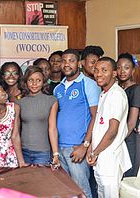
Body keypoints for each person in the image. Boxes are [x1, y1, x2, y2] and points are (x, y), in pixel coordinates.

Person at [53, 49, 101, 198]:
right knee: (65, 193)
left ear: (79, 63)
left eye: (71, 60)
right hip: (59, 149)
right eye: (64, 61)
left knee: (82, 192)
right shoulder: (57, 89)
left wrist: (85, 145)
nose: (67, 64)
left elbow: (96, 116)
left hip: (77, 148)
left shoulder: (88, 84)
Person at [87, 57, 131, 198]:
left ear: (114, 73)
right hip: (100, 158)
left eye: (104, 70)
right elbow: (99, 126)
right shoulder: (104, 93)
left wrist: (95, 152)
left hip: (110, 160)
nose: (98, 74)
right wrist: (91, 148)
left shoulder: (117, 95)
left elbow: (112, 130)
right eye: (96, 70)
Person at [18, 66, 59, 166]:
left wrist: (56, 154)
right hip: (24, 151)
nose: (34, 84)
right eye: (31, 80)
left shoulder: (51, 100)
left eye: (38, 80)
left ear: (43, 82)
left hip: (43, 153)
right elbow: (16, 131)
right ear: (26, 82)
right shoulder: (20, 103)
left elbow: (52, 129)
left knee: (42, 181)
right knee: (26, 181)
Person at [116, 53, 140, 176]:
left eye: (126, 67)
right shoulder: (117, 88)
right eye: (119, 67)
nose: (122, 71)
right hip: (116, 135)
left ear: (133, 70)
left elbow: (131, 123)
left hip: (129, 137)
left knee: (128, 176)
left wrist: (117, 139)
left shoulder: (136, 89)